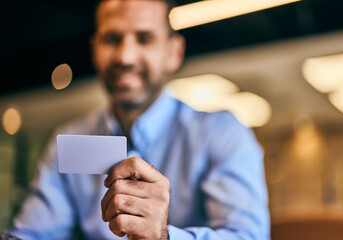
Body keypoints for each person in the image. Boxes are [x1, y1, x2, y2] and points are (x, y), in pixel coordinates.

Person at [4, 0, 270, 239]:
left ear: (173, 52)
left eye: (144, 38)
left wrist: (164, 237)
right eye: (111, 38)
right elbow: (33, 234)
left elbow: (248, 236)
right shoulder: (68, 140)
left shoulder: (222, 133)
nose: (125, 56)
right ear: (95, 50)